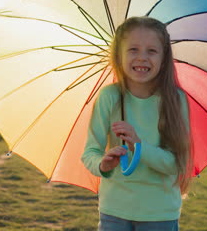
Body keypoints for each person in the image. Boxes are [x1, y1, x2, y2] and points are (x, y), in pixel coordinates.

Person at [81, 16, 192, 231]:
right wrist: (102, 164)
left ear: (164, 57)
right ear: (119, 55)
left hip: (159, 214)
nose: (142, 58)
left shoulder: (175, 100)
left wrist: (139, 146)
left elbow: (177, 164)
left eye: (151, 51)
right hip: (114, 210)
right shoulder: (109, 97)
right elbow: (90, 152)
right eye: (133, 49)